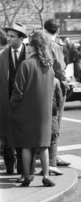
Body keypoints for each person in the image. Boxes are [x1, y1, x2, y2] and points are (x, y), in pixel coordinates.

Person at [9, 30, 55, 187]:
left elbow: (18, 90)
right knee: (43, 146)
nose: (27, 47)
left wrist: (12, 106)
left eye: (28, 45)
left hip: (27, 111)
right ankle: (46, 175)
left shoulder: (26, 64)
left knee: (27, 146)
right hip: (45, 113)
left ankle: (27, 176)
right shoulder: (49, 66)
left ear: (33, 47)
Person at [0, 22, 29, 175]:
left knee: (22, 135)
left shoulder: (30, 54)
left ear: (21, 38)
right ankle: (10, 167)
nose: (9, 39)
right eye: (8, 36)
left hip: (26, 102)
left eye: (12, 36)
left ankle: (23, 168)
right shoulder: (3, 55)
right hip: (7, 101)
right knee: (6, 136)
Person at [44, 18, 70, 167]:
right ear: (58, 31)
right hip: (55, 86)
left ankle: (43, 153)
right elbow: (60, 69)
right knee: (55, 122)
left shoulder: (38, 45)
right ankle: (53, 157)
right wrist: (66, 82)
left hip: (39, 85)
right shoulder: (55, 46)